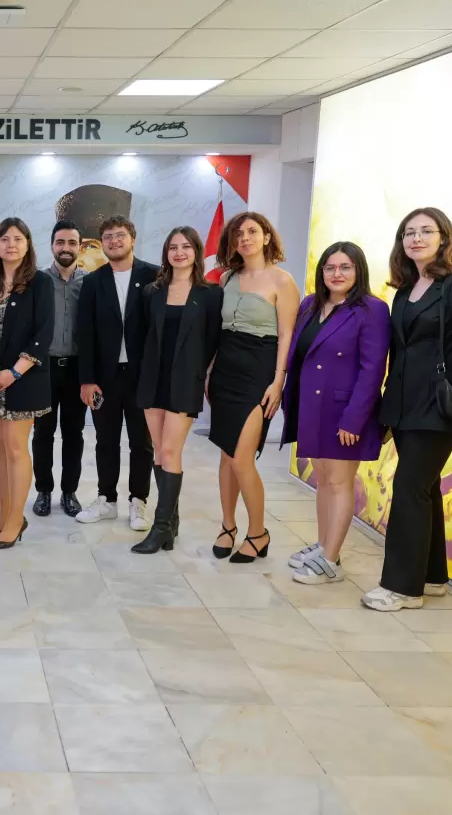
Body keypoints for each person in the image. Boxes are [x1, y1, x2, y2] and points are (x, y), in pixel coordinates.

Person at [364, 208, 452, 612]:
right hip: (405, 406)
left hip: (440, 407)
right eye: (409, 232)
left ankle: (401, 588)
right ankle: (433, 577)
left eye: (426, 231)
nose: (416, 238)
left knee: (409, 488)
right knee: (425, 488)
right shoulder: (405, 289)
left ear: (444, 238)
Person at [282, 242, 390, 584]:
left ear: (359, 271)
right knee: (324, 481)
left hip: (346, 412)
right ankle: (323, 545)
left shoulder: (372, 309)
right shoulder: (310, 304)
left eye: (345, 267)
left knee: (341, 483)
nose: (337, 273)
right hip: (312, 407)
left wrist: (354, 419)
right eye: (330, 267)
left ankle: (330, 562)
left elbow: (373, 370)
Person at [208, 211, 300, 563]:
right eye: (238, 234)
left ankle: (258, 533)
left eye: (251, 231)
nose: (244, 238)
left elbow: (287, 336)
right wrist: (210, 371)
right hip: (225, 369)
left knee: (241, 458)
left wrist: (278, 381)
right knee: (226, 453)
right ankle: (228, 526)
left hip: (258, 372)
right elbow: (218, 331)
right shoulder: (227, 278)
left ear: (266, 237)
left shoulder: (283, 281)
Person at [132, 227, 222, 555]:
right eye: (173, 247)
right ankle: (171, 523)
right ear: (166, 253)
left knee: (170, 451)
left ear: (196, 251)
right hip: (152, 379)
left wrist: (203, 375)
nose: (179, 253)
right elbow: (142, 336)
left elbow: (213, 341)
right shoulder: (152, 292)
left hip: (185, 381)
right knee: (159, 450)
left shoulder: (210, 294)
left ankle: (159, 528)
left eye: (186, 247)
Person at [0, 218, 52, 549]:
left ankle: (17, 519)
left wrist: (14, 373)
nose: (11, 244)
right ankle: (5, 513)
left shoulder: (40, 282)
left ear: (28, 244)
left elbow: (43, 333)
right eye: (4, 239)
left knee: (16, 447)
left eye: (18, 239)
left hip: (22, 379)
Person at [75, 215, 159, 530]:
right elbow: (85, 334)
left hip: (142, 376)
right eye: (108, 237)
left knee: (142, 442)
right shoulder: (93, 282)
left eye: (120, 235)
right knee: (106, 440)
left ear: (132, 239)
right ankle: (106, 500)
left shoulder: (154, 276)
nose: (114, 241)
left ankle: (139, 501)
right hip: (104, 379)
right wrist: (86, 379)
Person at [31, 220, 86, 518]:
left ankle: (69, 491)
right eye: (60, 242)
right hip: (44, 369)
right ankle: (44, 490)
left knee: (74, 433)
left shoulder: (90, 282)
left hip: (77, 370)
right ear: (52, 245)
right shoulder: (38, 281)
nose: (66, 248)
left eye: (72, 243)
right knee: (43, 433)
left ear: (80, 247)